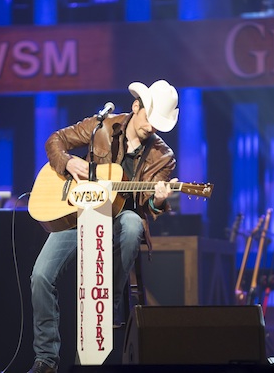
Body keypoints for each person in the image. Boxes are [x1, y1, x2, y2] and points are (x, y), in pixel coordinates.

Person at [28, 80, 180, 373]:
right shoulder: (102, 127)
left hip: (120, 218)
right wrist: (68, 162)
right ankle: (46, 358)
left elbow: (149, 205)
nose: (152, 127)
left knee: (134, 224)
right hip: (79, 211)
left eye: (159, 124)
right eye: (150, 119)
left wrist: (159, 201)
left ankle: (106, 304)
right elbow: (55, 140)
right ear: (136, 106)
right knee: (40, 276)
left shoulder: (163, 156)